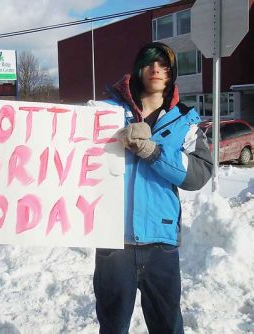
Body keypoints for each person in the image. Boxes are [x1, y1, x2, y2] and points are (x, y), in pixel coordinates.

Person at [93, 42, 213, 333]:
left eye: (164, 65)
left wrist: (153, 150)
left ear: (171, 73)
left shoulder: (186, 121)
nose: (156, 69)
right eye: (149, 63)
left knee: (167, 327)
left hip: (161, 244)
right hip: (113, 244)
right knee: (112, 328)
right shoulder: (107, 113)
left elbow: (199, 173)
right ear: (139, 69)